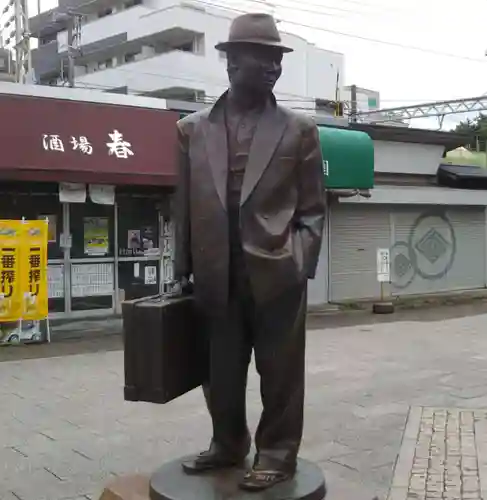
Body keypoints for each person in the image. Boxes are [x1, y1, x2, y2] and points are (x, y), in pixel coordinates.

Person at [174, 12, 326, 492]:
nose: (271, 68)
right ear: (231, 61)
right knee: (218, 371)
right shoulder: (191, 131)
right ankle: (227, 443)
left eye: (276, 60)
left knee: (280, 372)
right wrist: (183, 268)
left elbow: (313, 210)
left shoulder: (299, 130)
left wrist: (298, 262)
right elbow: (183, 203)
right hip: (216, 272)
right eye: (261, 58)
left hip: (277, 271)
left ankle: (278, 453)